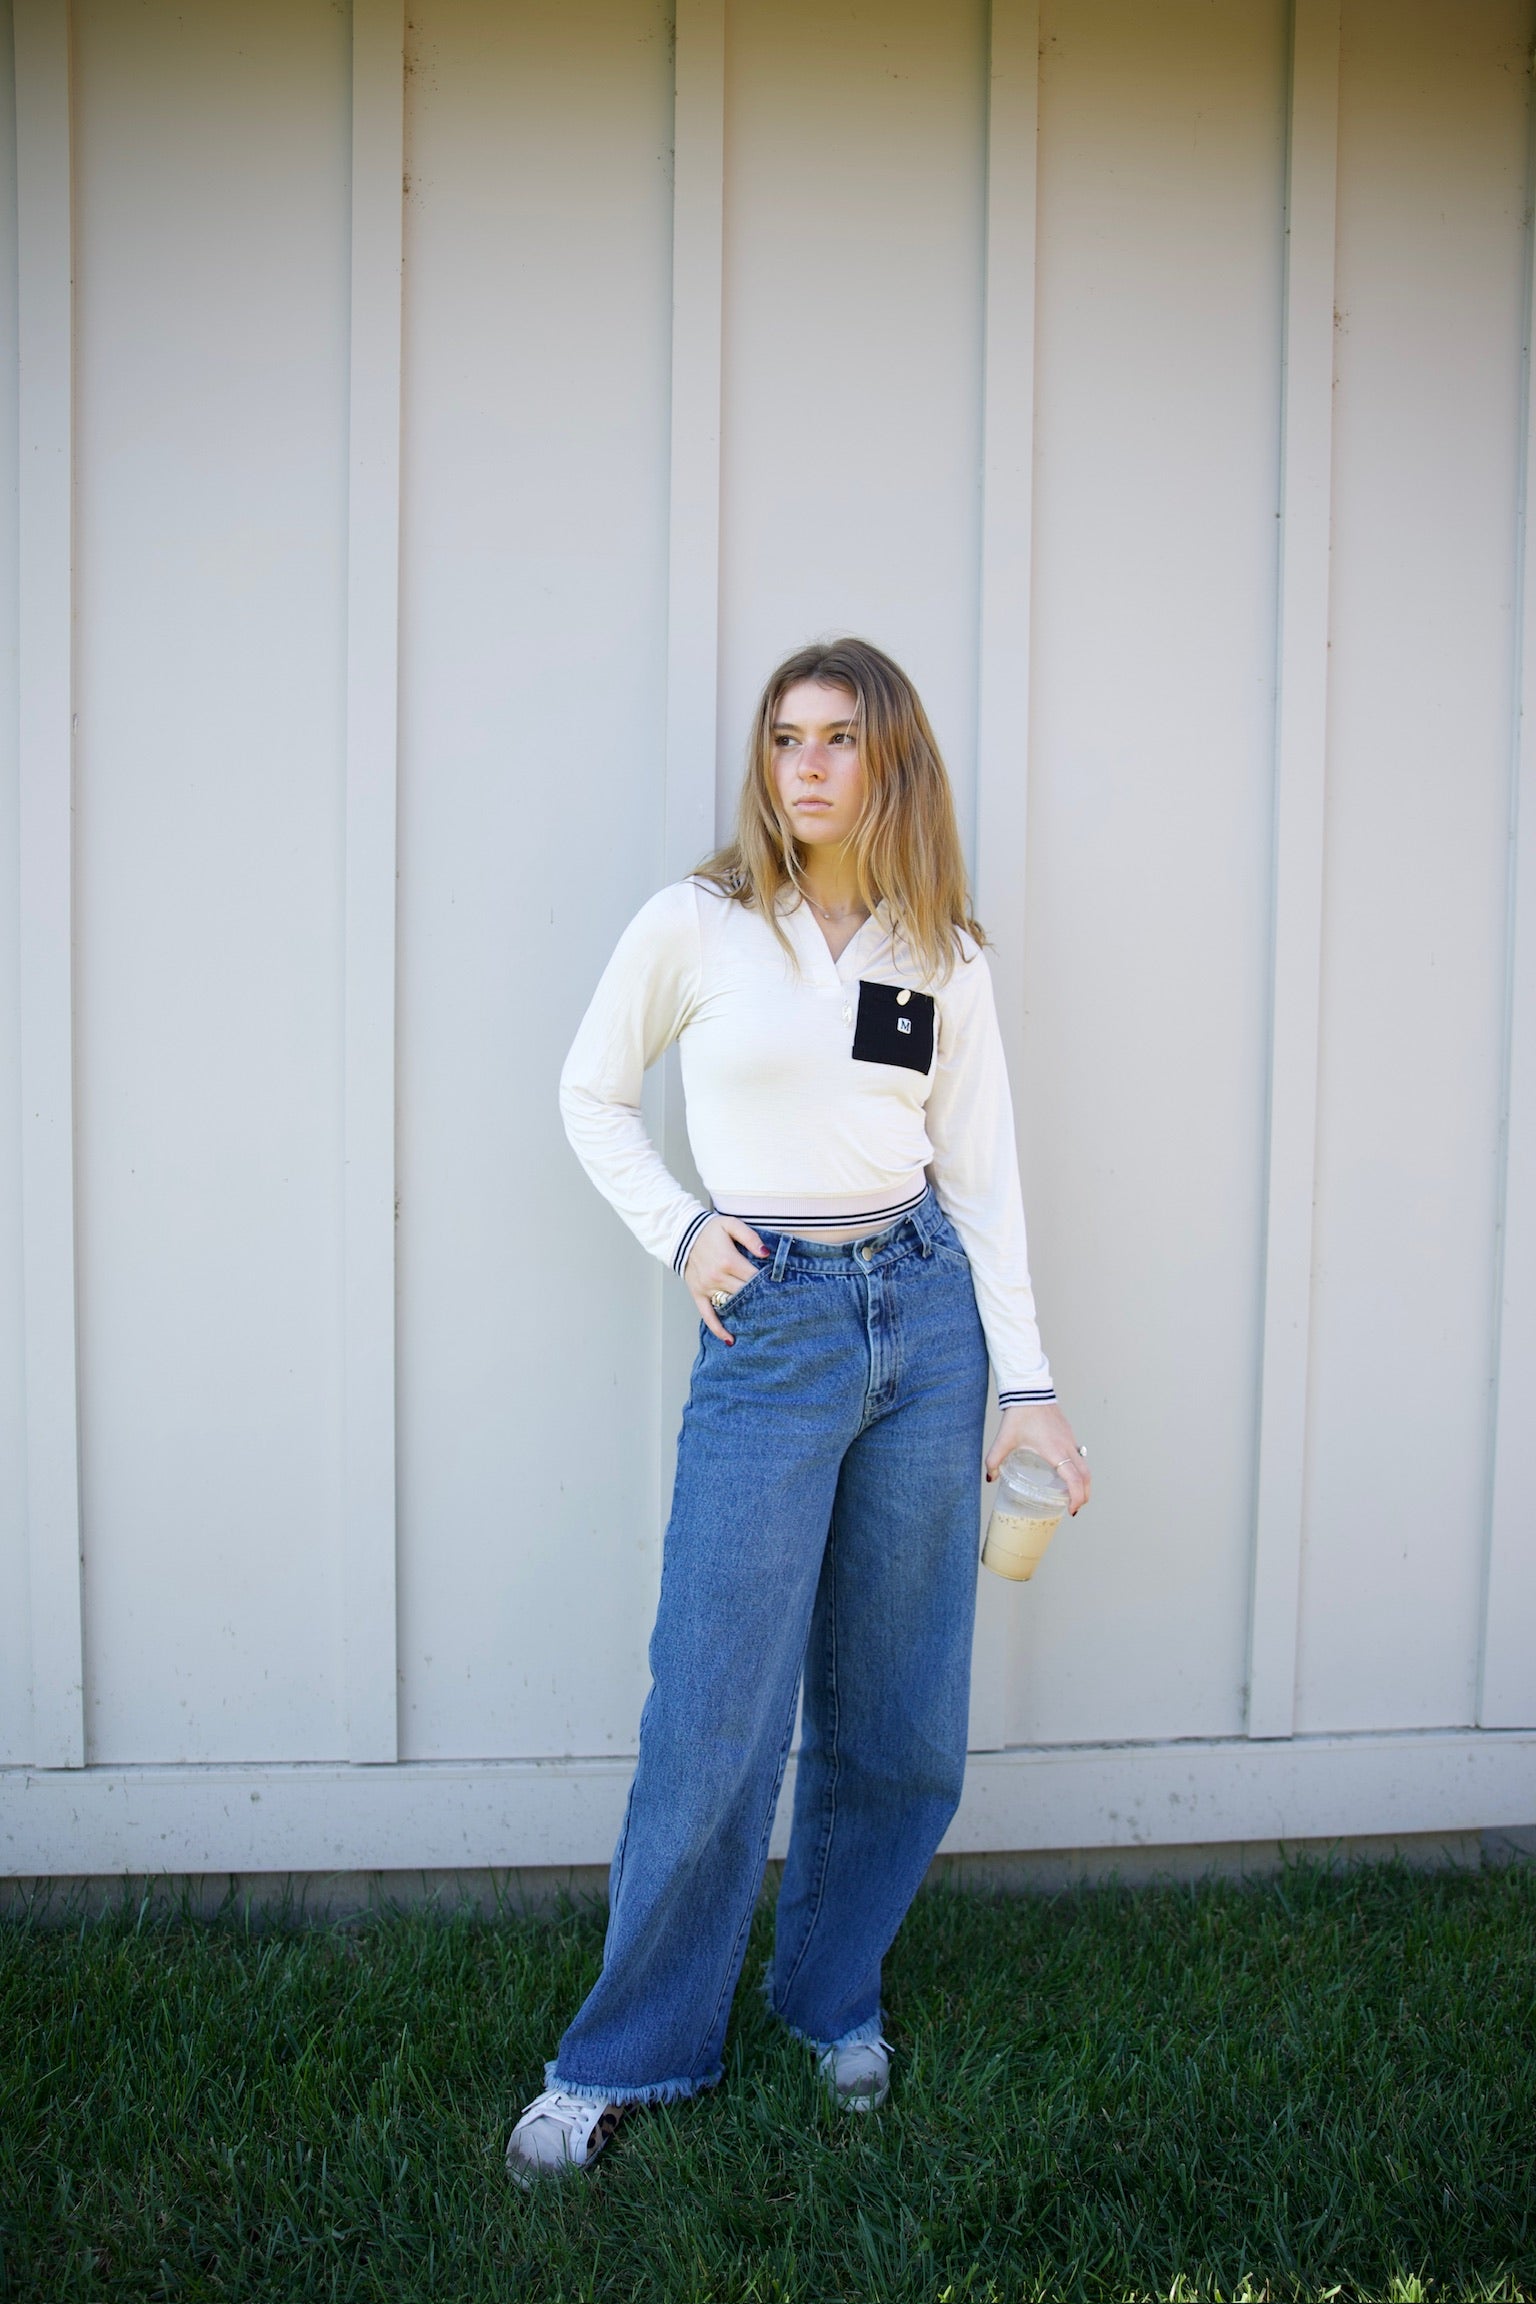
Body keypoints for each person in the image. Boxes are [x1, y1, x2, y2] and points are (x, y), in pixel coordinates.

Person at [505, 636, 1089, 2184]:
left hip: (926, 1321)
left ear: (891, 761)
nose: (807, 767)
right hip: (771, 1326)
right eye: (785, 739)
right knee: (714, 1712)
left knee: (899, 1713)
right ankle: (624, 2056)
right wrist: (684, 1227)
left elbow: (984, 1176)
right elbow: (587, 1092)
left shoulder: (938, 950)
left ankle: (832, 1995)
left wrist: (1027, 1390)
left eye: (839, 739)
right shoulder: (696, 924)